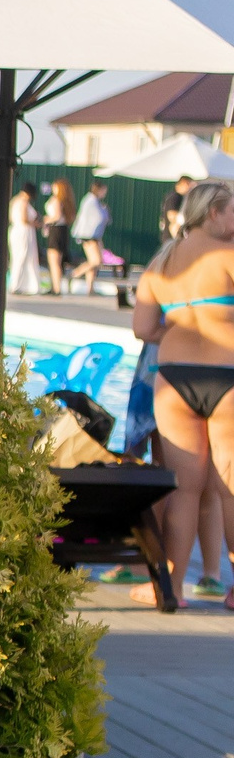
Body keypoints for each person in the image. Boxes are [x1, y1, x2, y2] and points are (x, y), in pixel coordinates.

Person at [129, 177, 234, 608]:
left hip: (173, 377)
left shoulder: (161, 263)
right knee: (230, 487)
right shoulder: (228, 256)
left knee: (184, 489)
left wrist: (179, 326)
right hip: (227, 375)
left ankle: (169, 588)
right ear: (213, 213)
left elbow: (142, 329)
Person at [72, 177, 112, 294]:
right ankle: (75, 274)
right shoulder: (91, 201)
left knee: (94, 262)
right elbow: (100, 217)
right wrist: (105, 210)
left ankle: (90, 288)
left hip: (93, 235)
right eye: (103, 190)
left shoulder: (93, 201)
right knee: (96, 261)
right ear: (98, 190)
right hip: (88, 236)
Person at [7, 182, 43, 295]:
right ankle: (18, 285)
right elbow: (24, 219)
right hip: (23, 232)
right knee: (23, 256)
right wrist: (37, 224)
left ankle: (21, 284)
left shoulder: (14, 201)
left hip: (17, 230)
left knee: (20, 257)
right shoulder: (23, 202)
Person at [43, 177, 76, 298]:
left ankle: (56, 288)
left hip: (55, 230)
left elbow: (56, 216)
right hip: (62, 230)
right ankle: (56, 286)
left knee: (54, 261)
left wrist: (46, 220)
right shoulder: (66, 201)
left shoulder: (57, 200)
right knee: (57, 260)